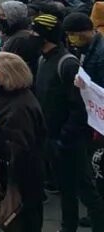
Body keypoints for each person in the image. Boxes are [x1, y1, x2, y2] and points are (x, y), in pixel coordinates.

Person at [36, 13, 104, 232]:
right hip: (58, 137)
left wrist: (65, 137)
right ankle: (71, 225)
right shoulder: (45, 60)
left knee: (85, 186)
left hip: (71, 139)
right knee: (70, 187)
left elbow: (79, 106)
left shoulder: (67, 63)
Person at [0, 52, 45, 232]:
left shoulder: (19, 108)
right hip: (15, 174)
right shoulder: (7, 96)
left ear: (6, 75)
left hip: (22, 179)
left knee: (20, 221)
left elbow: (14, 149)